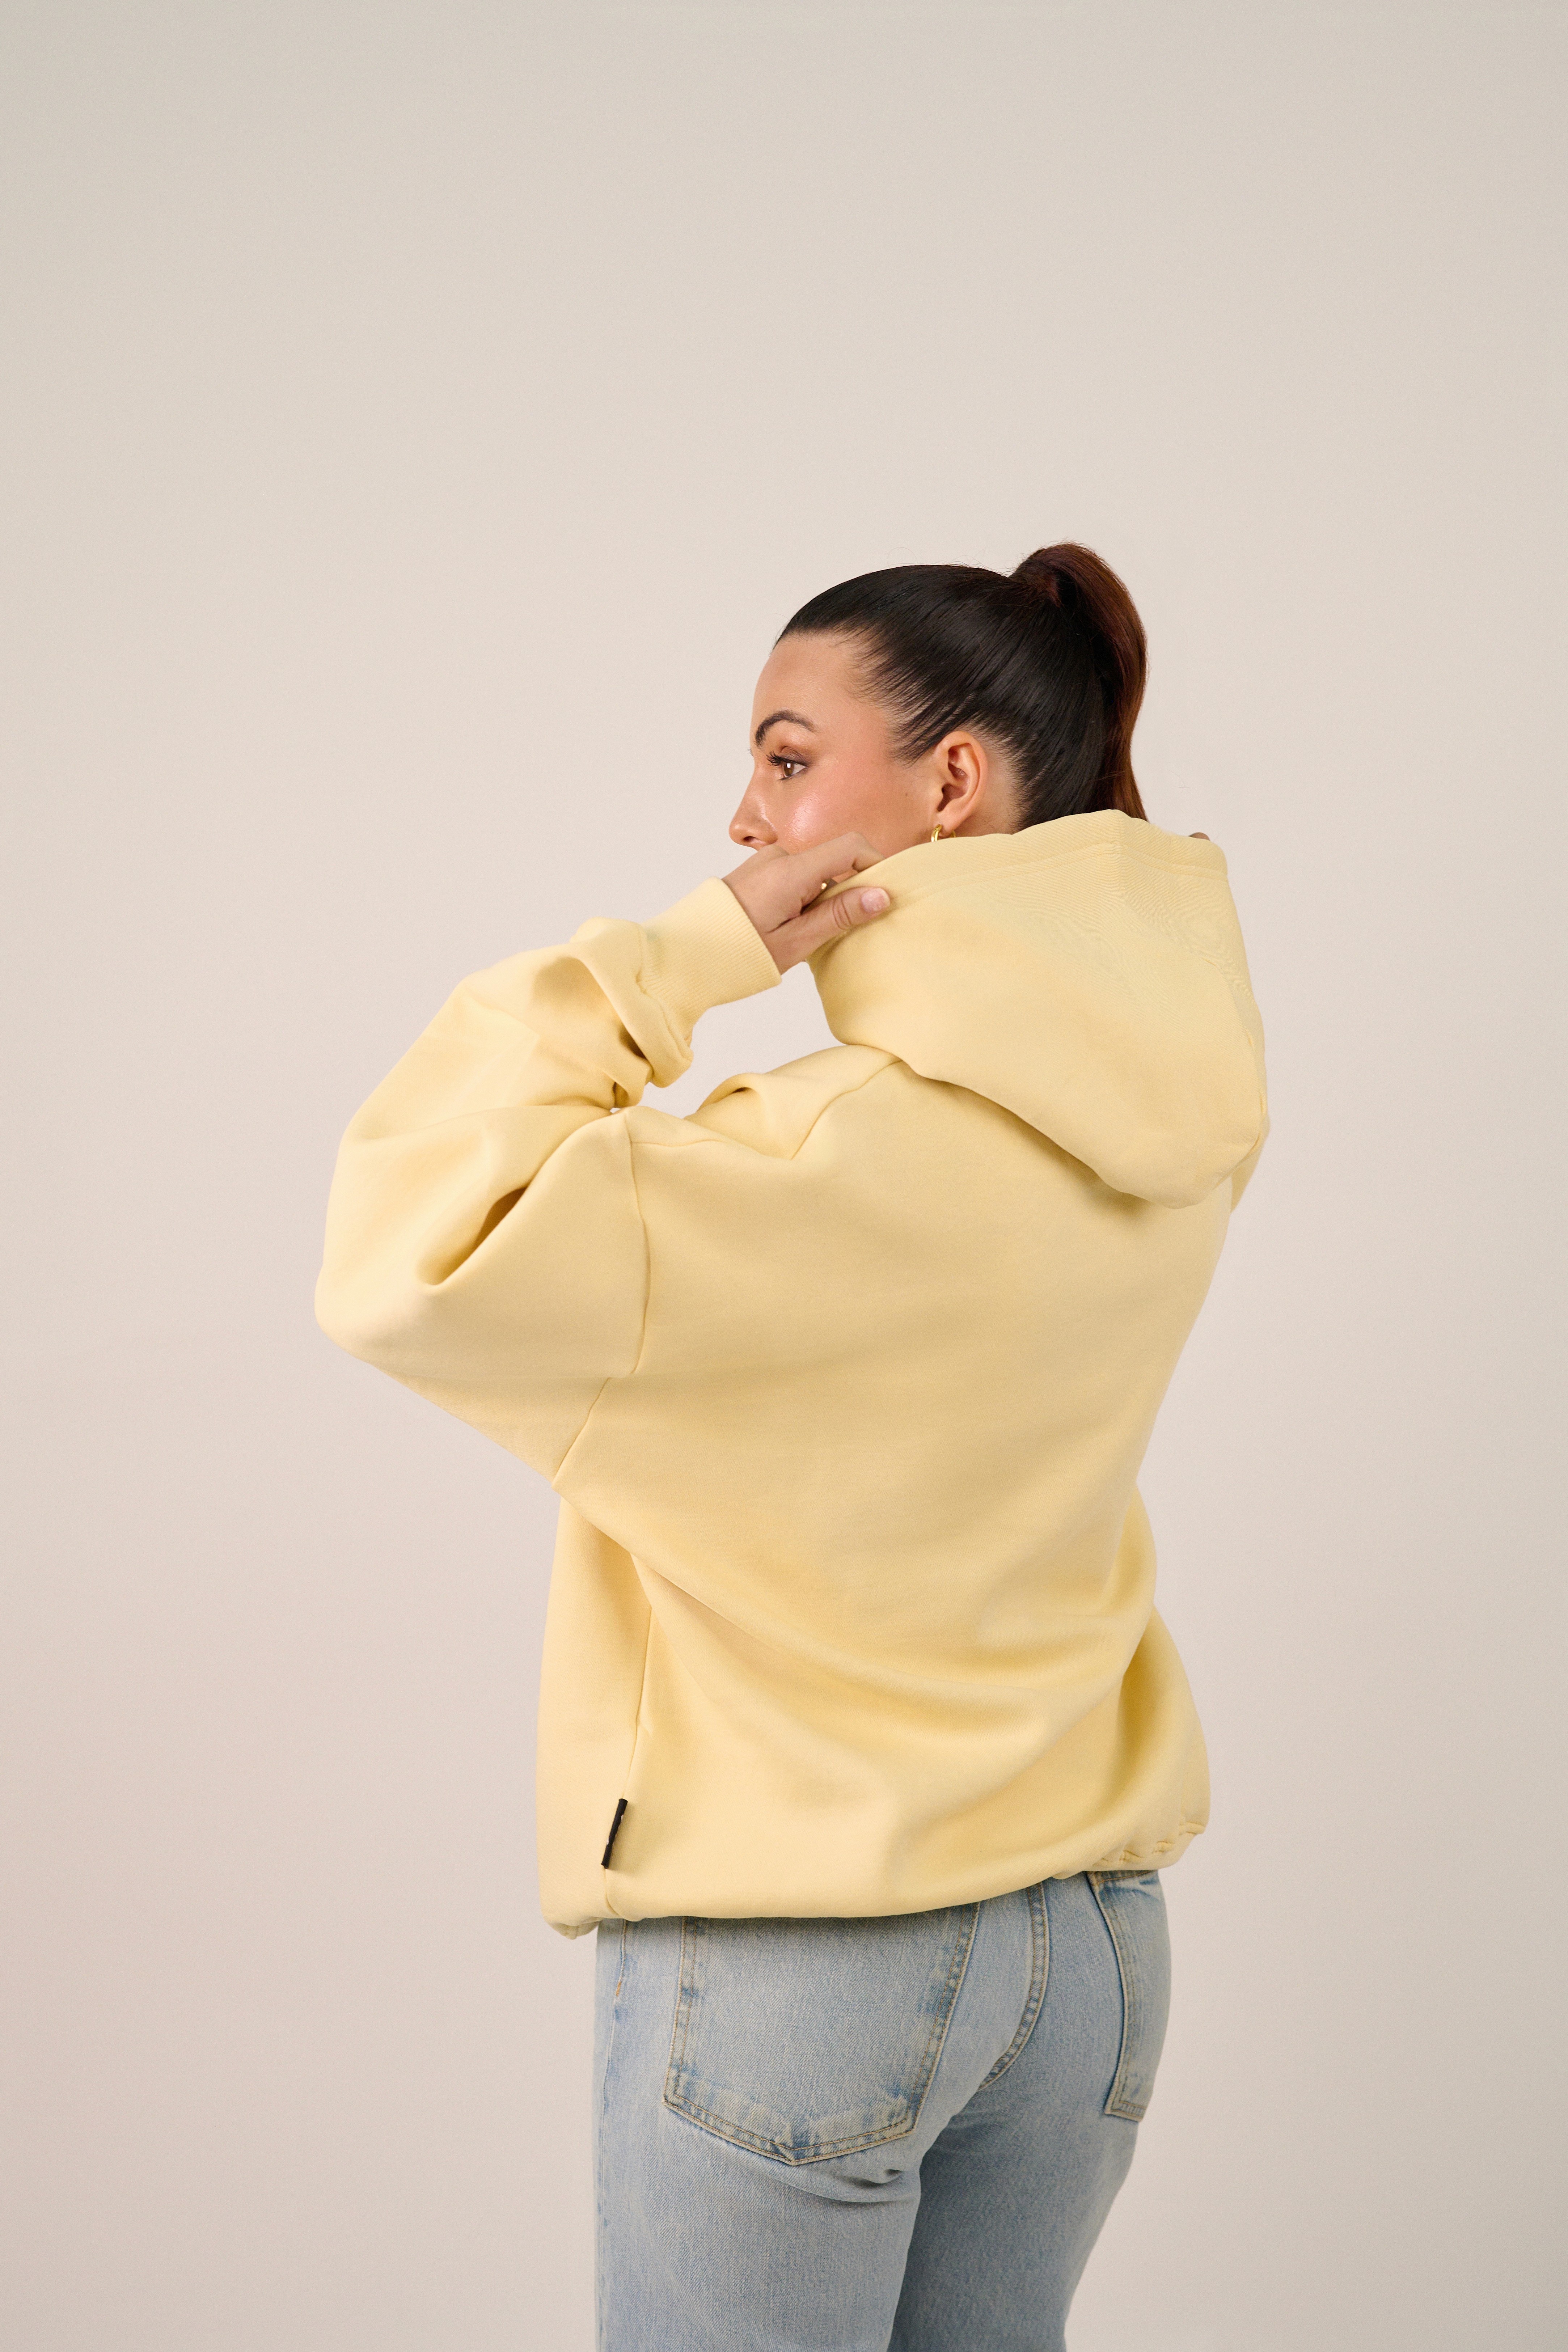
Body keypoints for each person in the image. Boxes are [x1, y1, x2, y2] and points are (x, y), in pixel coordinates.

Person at [315, 543, 1268, 2350]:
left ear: (952, 786)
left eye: (783, 756)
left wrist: (694, 948)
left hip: (808, 1952)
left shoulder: (788, 1163)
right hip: (1088, 1953)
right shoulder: (1189, 1123)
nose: (743, 808)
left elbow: (402, 1247)